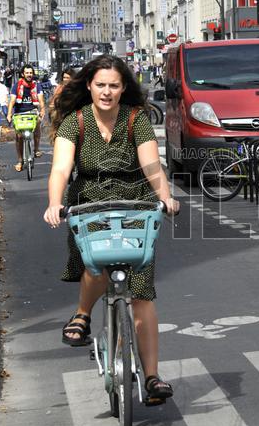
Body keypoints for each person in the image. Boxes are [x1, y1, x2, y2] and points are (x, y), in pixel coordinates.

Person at [44, 54, 179, 403]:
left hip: (135, 203)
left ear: (124, 88)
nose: (107, 92)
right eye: (100, 85)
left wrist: (165, 197)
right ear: (89, 85)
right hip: (89, 204)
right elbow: (60, 169)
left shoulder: (137, 119)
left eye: (114, 85)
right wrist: (54, 202)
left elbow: (151, 166)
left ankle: (151, 377)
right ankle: (82, 314)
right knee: (98, 262)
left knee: (142, 294)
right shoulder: (76, 122)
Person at [7, 64, 46, 172]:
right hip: (20, 113)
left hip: (32, 112)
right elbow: (12, 101)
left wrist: (42, 110)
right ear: (23, 74)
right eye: (27, 73)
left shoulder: (37, 86)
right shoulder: (17, 86)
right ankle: (20, 160)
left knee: (38, 124)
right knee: (19, 137)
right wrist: (9, 114)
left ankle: (36, 149)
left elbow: (41, 100)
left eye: (30, 73)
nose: (29, 75)